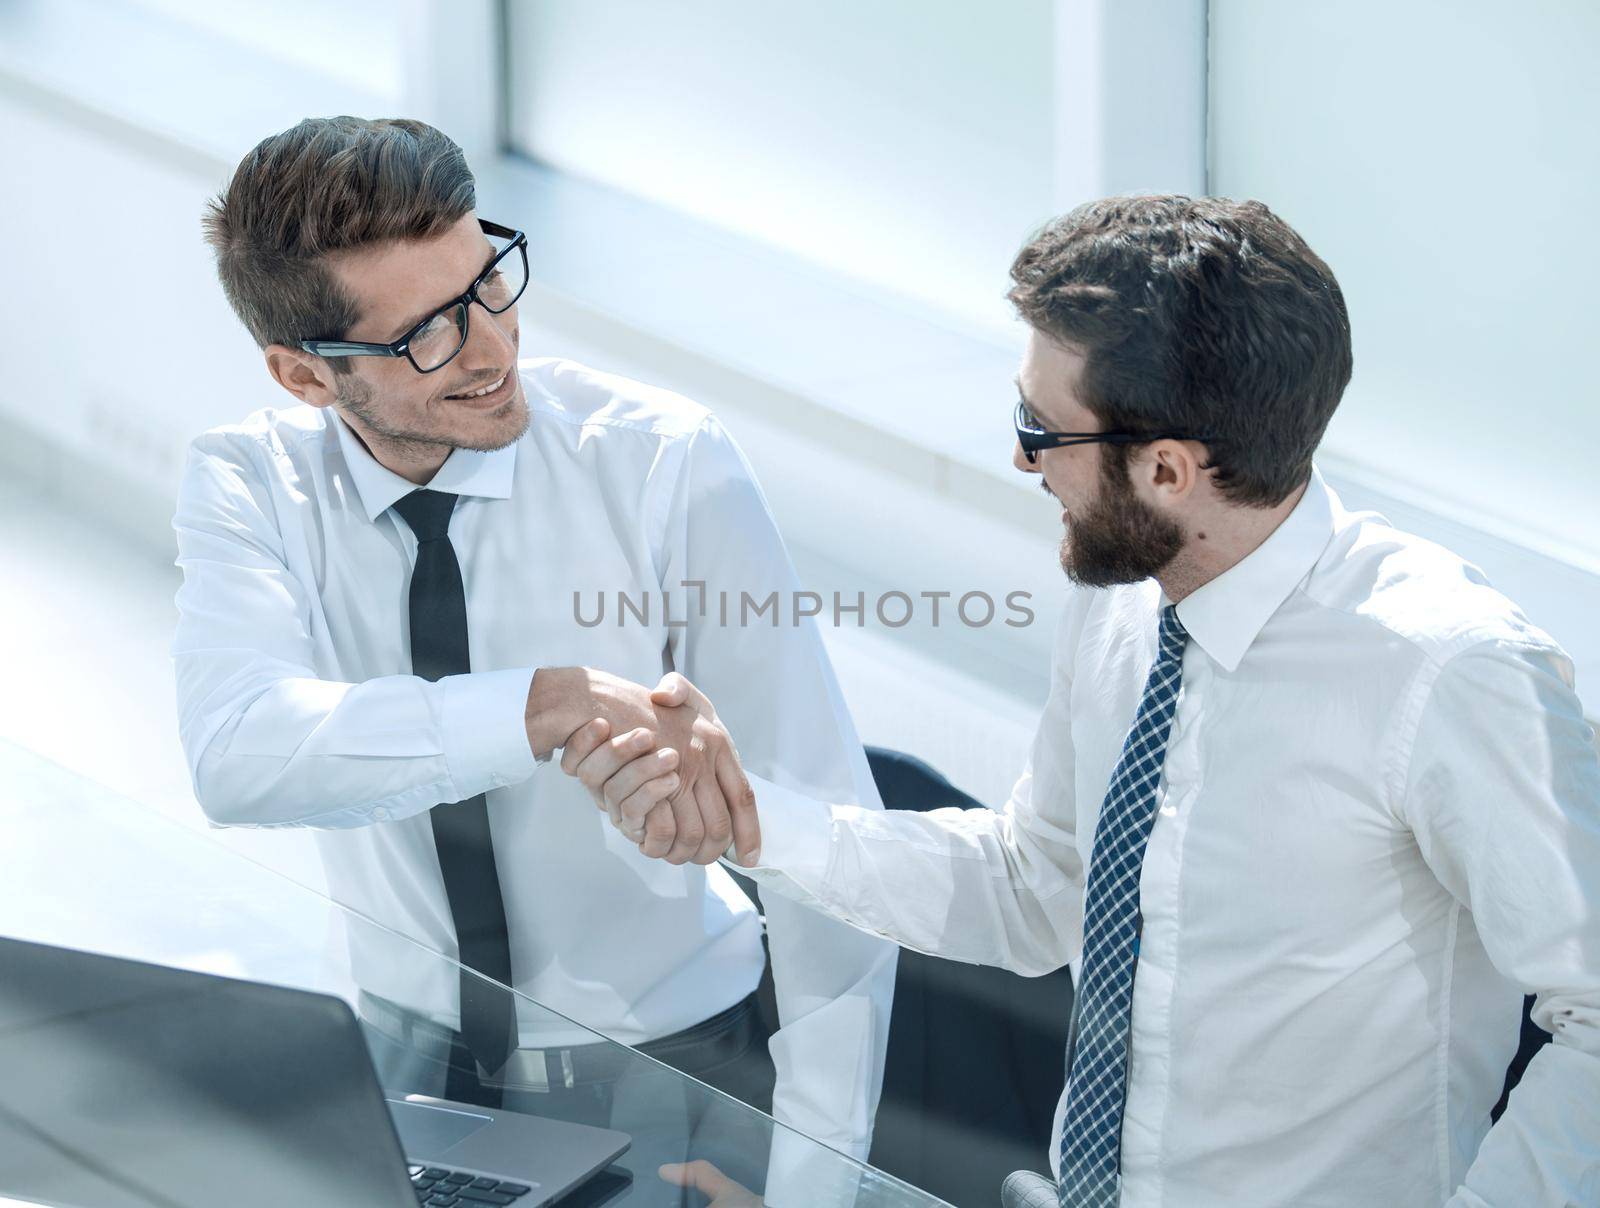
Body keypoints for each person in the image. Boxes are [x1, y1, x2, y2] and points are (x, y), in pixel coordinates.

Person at [563, 196, 1600, 1206]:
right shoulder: (1123, 601)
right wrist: (743, 815)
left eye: (1039, 425)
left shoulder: (1452, 669)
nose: (1018, 455)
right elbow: (1032, 886)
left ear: (1166, 467)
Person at [170, 116, 894, 1193]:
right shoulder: (247, 483)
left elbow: (832, 831)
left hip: (677, 1055)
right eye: (426, 335)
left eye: (487, 285)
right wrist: (537, 706)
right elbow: (237, 754)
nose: (493, 348)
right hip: (399, 1054)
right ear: (304, 375)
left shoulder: (661, 461)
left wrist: (814, 1185)